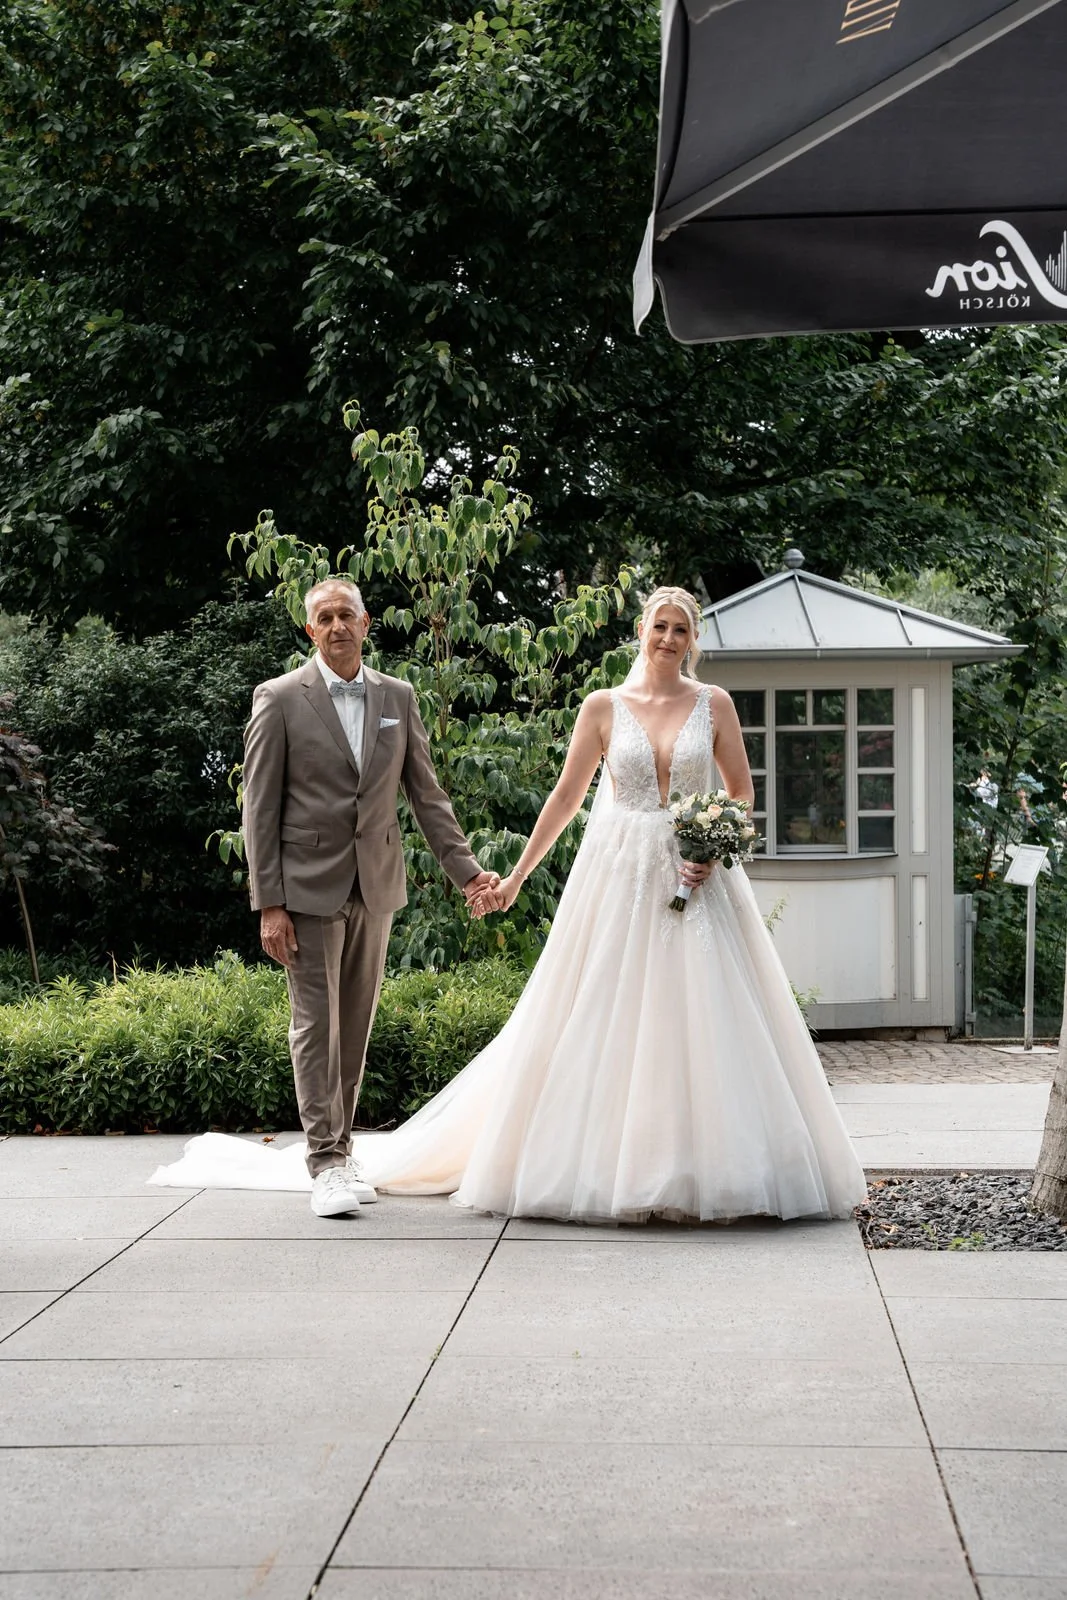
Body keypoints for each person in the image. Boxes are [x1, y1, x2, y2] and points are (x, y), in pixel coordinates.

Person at [152, 585, 866, 1224]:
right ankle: (328, 1159)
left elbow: (427, 797)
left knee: (703, 1018)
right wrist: (514, 876)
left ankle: (709, 1164)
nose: (668, 638)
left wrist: (708, 845)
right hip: (600, 875)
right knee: (339, 1023)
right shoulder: (599, 707)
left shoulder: (712, 705)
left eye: (681, 629)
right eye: (659, 626)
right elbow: (563, 797)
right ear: (639, 632)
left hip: (690, 877)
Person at [160, 578, 498, 1219]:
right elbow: (258, 809)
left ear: (366, 623)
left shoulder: (397, 696)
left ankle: (341, 1148)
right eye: (325, 617)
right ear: (309, 629)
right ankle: (327, 1162)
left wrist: (469, 874)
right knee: (316, 1024)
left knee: (356, 1021)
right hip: (306, 890)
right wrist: (270, 902)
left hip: (376, 884)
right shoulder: (280, 698)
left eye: (347, 614)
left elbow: (427, 797)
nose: (337, 625)